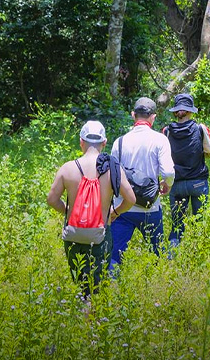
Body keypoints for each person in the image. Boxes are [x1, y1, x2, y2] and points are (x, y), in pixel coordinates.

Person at [47, 120, 135, 298]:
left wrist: (69, 211)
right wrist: (114, 213)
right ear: (104, 142)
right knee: (96, 286)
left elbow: (51, 199)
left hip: (73, 234)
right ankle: (92, 319)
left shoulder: (68, 168)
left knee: (80, 284)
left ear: (81, 141)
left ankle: (80, 315)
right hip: (100, 233)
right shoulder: (112, 168)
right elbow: (131, 199)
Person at [109, 97, 174, 272]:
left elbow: (113, 176)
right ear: (153, 117)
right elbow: (168, 172)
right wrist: (166, 184)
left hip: (123, 207)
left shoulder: (119, 142)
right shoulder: (160, 140)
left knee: (115, 255)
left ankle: (112, 290)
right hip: (150, 208)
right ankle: (156, 289)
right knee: (157, 254)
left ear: (133, 115)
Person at [162, 93, 210, 247]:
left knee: (177, 225)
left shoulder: (166, 131)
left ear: (176, 112)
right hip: (198, 182)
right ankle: (197, 254)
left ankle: (172, 255)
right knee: (199, 222)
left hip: (176, 183)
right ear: (190, 111)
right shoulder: (200, 128)